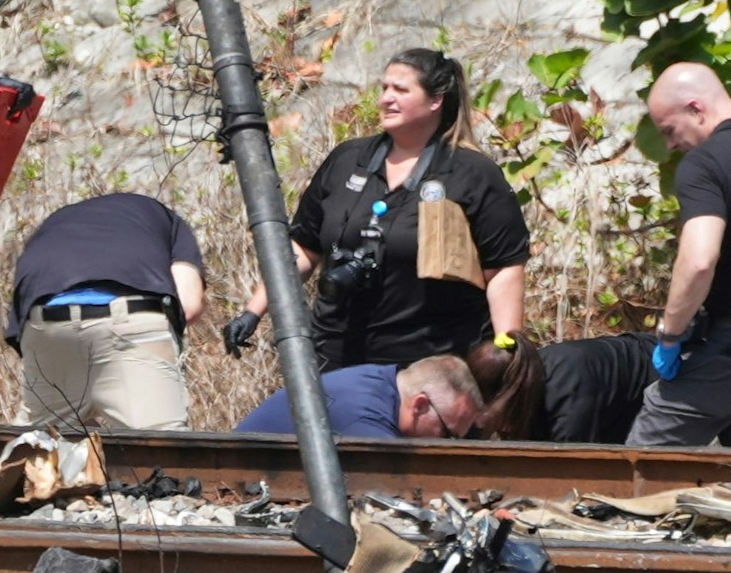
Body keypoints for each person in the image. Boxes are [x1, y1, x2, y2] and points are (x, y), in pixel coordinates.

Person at [222, 49, 531, 371]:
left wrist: (505, 353)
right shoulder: (347, 160)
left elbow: (504, 268)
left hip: (431, 366)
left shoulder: (471, 173)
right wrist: (253, 310)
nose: (386, 99)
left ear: (435, 100)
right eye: (384, 88)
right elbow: (303, 248)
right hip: (336, 357)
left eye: (400, 90)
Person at [626, 63, 731, 448]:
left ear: (696, 109)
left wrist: (670, 334)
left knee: (647, 457)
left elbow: (700, 258)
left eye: (670, 131)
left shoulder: (705, 165)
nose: (670, 145)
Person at [6, 193, 206, 430]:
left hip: (45, 327)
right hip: (129, 323)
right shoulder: (170, 221)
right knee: (159, 453)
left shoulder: (57, 221)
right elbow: (189, 304)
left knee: (46, 453)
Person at [467, 331, 661, 443]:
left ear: (508, 396)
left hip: (661, 378)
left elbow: (575, 471)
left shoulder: (568, 408)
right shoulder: (526, 371)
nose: (481, 423)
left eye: (487, 415)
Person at [235, 355, 484, 440]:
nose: (446, 445)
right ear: (419, 405)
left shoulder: (381, 380)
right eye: (447, 434)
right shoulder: (365, 420)